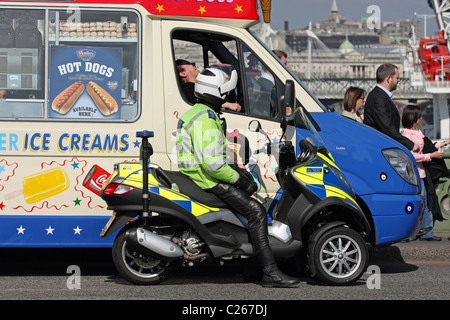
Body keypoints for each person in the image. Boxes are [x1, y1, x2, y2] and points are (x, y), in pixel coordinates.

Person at [176, 64, 300, 287]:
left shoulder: (197, 112)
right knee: (257, 212)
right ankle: (270, 273)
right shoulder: (206, 119)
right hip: (207, 179)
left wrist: (238, 172)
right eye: (226, 91)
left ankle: (252, 269)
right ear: (217, 92)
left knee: (248, 211)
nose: (228, 95)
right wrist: (241, 180)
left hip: (196, 175)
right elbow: (213, 165)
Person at [401, 104, 444, 241]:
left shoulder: (418, 132)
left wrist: (441, 144)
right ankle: (419, 232)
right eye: (418, 117)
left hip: (423, 173)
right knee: (422, 203)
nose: (420, 119)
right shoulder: (406, 135)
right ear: (413, 118)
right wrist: (431, 156)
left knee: (427, 203)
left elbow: (426, 148)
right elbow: (412, 156)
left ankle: (426, 232)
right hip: (415, 174)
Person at [363, 63, 418, 151]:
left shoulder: (379, 95)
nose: (399, 80)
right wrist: (410, 144)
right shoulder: (378, 98)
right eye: (397, 77)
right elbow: (387, 127)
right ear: (388, 78)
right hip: (379, 148)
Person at [176, 59, 241, 112]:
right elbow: (201, 102)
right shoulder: (188, 88)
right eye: (187, 63)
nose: (194, 64)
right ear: (183, 73)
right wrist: (228, 105)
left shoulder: (190, 87)